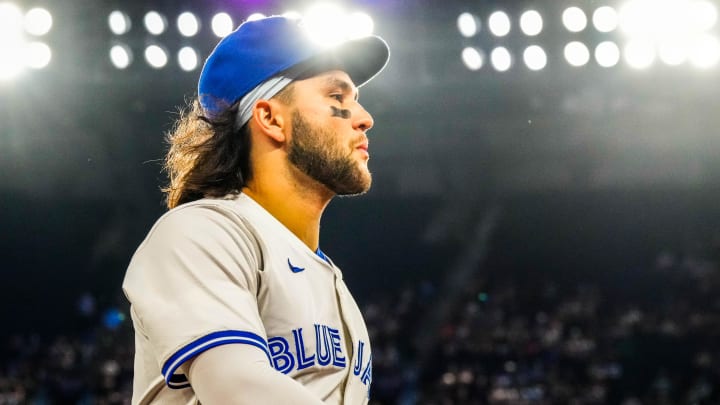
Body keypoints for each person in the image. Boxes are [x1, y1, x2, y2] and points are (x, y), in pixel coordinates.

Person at [122, 15, 390, 405]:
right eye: (337, 97)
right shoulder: (201, 232)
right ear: (269, 118)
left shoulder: (332, 282)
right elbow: (238, 390)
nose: (365, 118)